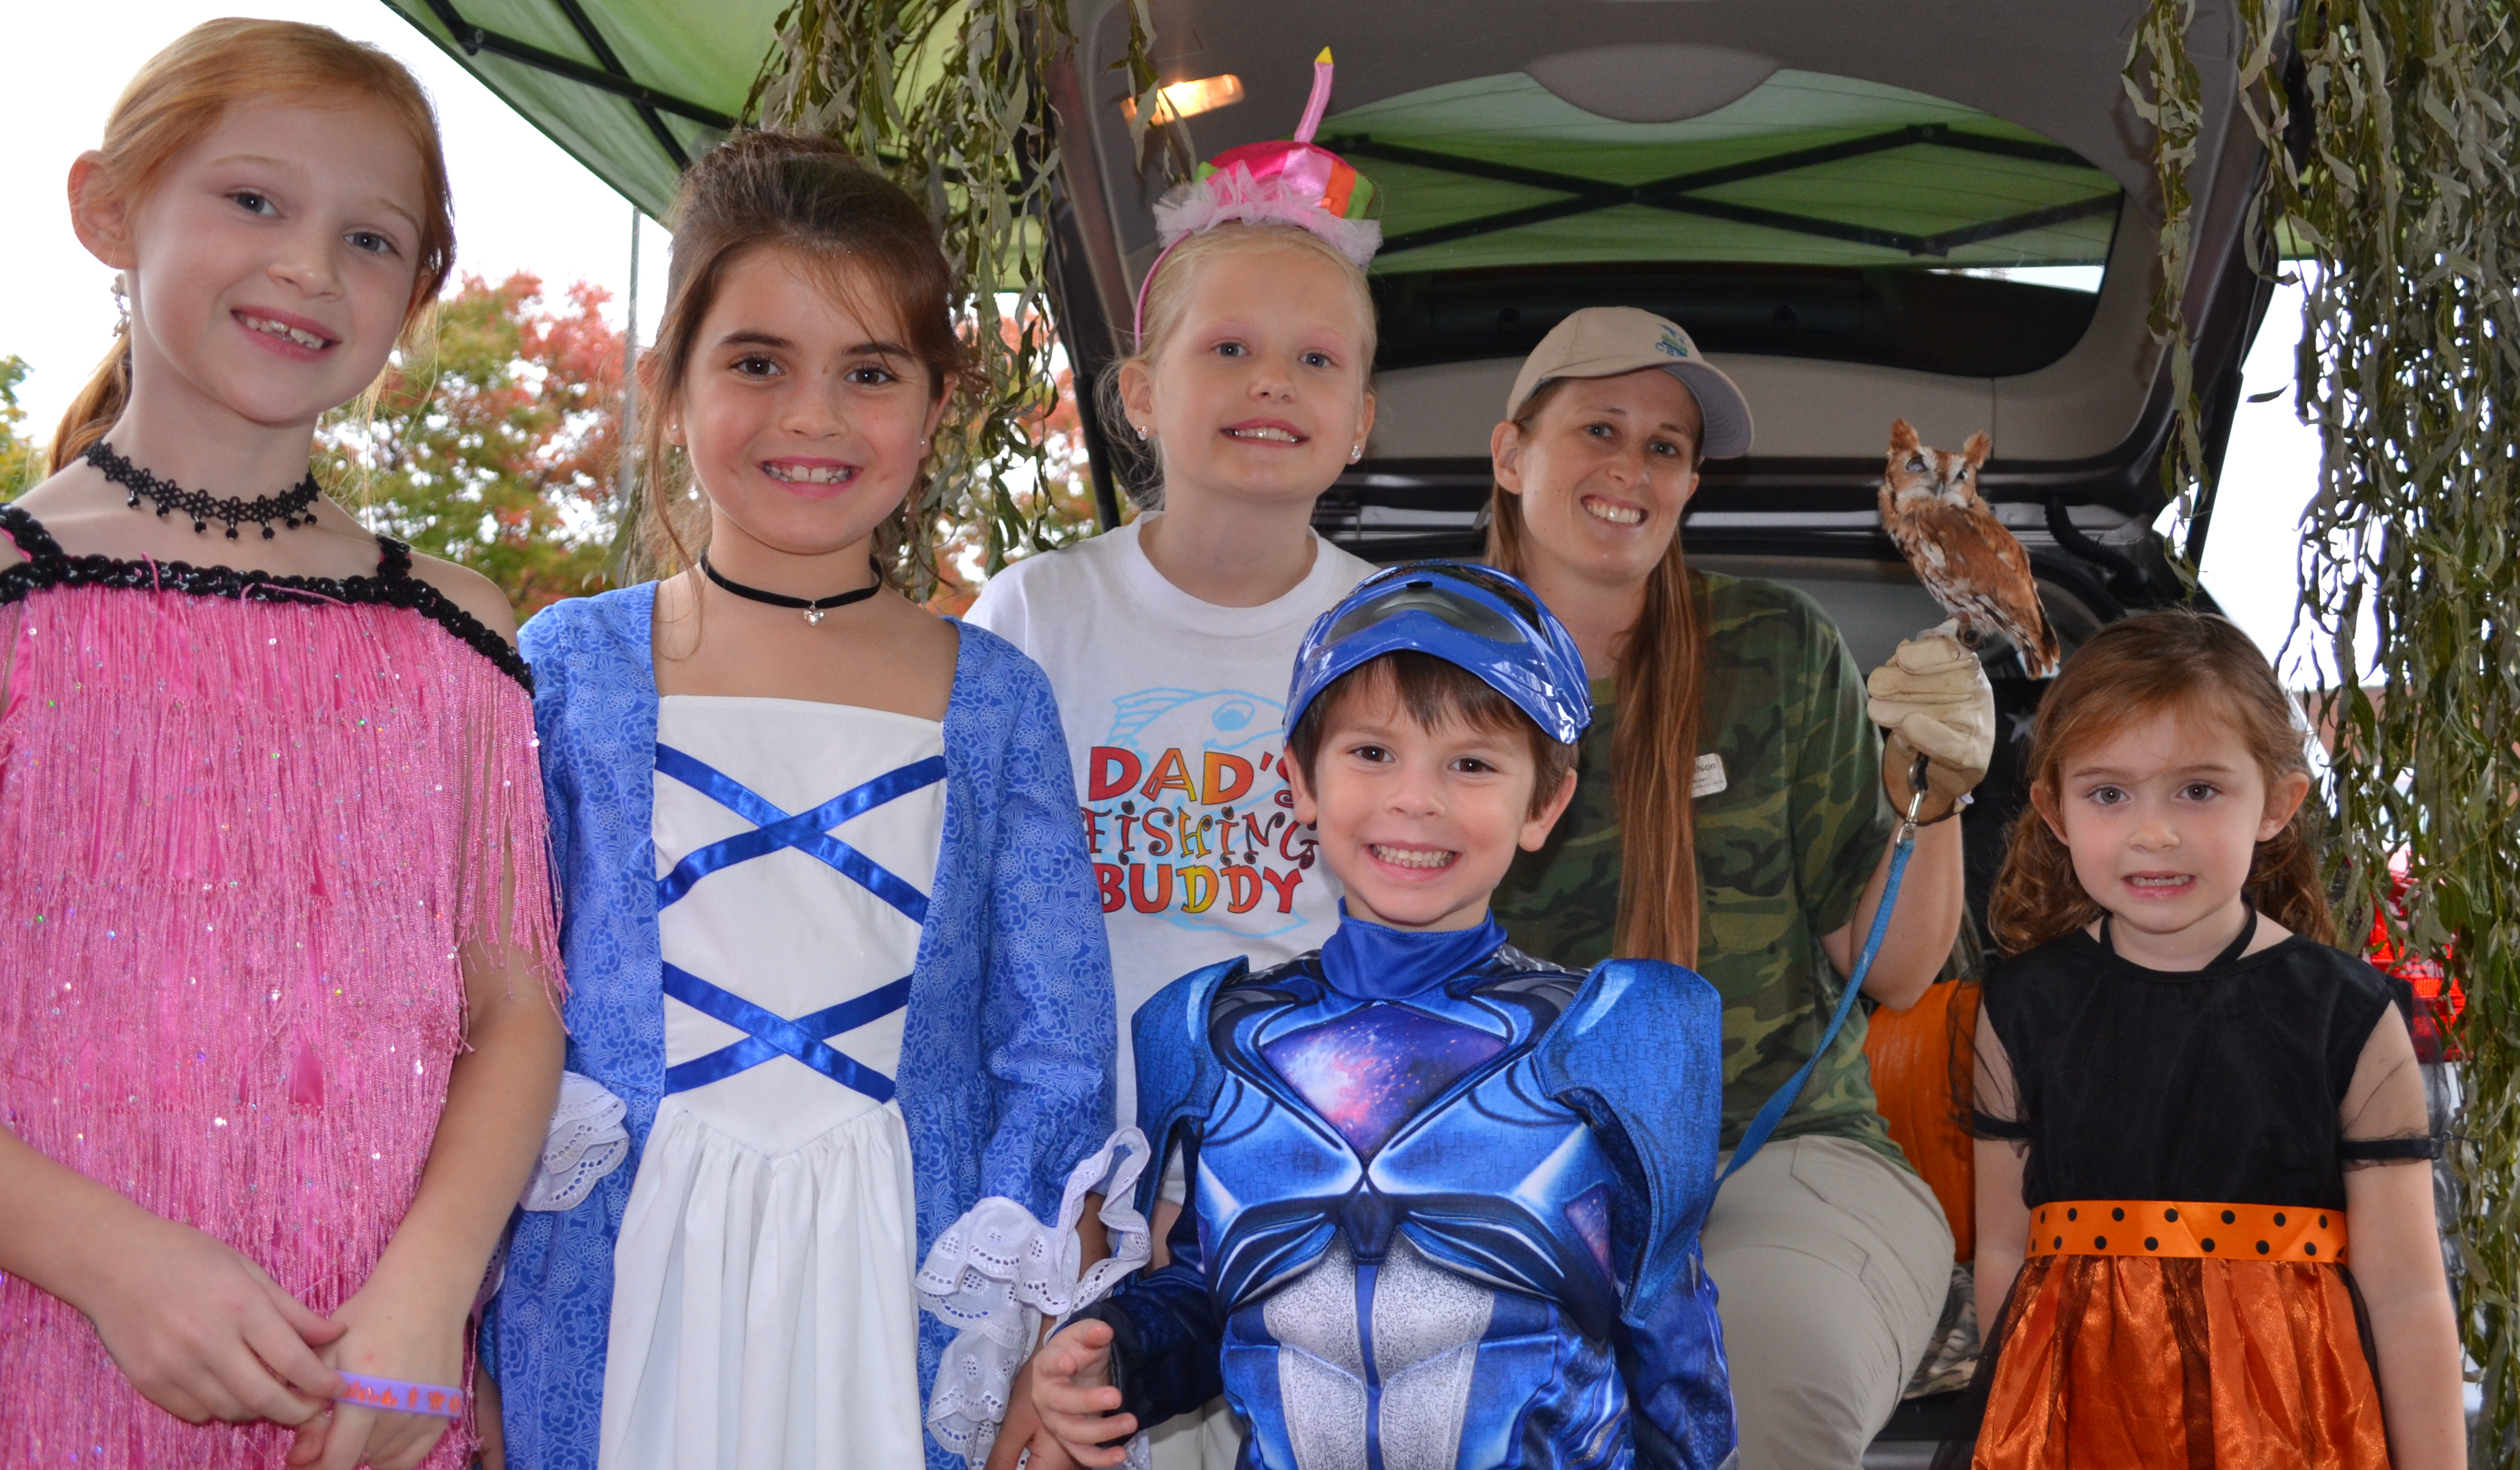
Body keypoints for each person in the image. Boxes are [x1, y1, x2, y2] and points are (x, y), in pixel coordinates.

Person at [486, 134, 1119, 1470]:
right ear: (666, 388)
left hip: (894, 1292)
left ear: (937, 406)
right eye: (757, 362)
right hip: (619, 1274)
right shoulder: (566, 669)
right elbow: (486, 1007)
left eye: (870, 373)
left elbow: (1055, 1044)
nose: (812, 418)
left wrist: (1008, 1338)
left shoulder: (996, 697)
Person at [0, 21, 564, 1470]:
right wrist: (109, 1259)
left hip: (366, 1384)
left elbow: (513, 1007)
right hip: (42, 1355)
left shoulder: (459, 631)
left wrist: (432, 1294)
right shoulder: (13, 602)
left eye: (371, 239)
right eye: (255, 201)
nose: (311, 266)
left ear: (415, 293)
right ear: (108, 210)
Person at [1018, 562, 1737, 1470]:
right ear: (1302, 782)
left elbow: (1673, 1349)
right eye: (1371, 753)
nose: (1415, 799)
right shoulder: (1207, 1034)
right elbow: (1217, 1297)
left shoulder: (1617, 1037)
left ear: (1544, 803)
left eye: (1471, 764)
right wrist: (1116, 1349)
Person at [964, 57, 1383, 1466]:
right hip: (1060, 1182)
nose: (1274, 382)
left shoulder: (1389, 633)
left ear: (1363, 418)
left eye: (1318, 360)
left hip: (1302, 1182)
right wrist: (1041, 1184)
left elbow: (1422, 920)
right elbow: (967, 921)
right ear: (1140, 389)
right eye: (1230, 349)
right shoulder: (1036, 611)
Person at [1484, 306, 1991, 1465]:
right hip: (1501, 1168)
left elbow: (1896, 966)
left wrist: (1939, 791)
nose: (1632, 468)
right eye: (1599, 428)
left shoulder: (1774, 645)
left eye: (1665, 446)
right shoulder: (1422, 661)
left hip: (1786, 1154)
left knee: (1758, 1384)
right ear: (1512, 454)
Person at [1963, 610, 2463, 1470]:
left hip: (2292, 1428)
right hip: (2084, 1422)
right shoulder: (2016, 1006)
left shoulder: (2347, 1013)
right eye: (2107, 794)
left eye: (2197, 791)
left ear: (2276, 802)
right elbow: (2007, 1245)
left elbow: (2408, 1289)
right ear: (2051, 809)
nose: (2152, 833)